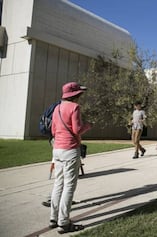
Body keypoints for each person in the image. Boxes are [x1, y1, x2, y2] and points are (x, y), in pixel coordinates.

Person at [50, 82, 91, 234]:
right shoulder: (74, 108)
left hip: (57, 150)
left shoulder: (57, 108)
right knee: (69, 186)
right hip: (70, 150)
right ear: (75, 94)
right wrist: (88, 125)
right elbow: (77, 129)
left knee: (58, 184)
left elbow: (54, 130)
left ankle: (53, 218)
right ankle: (64, 222)